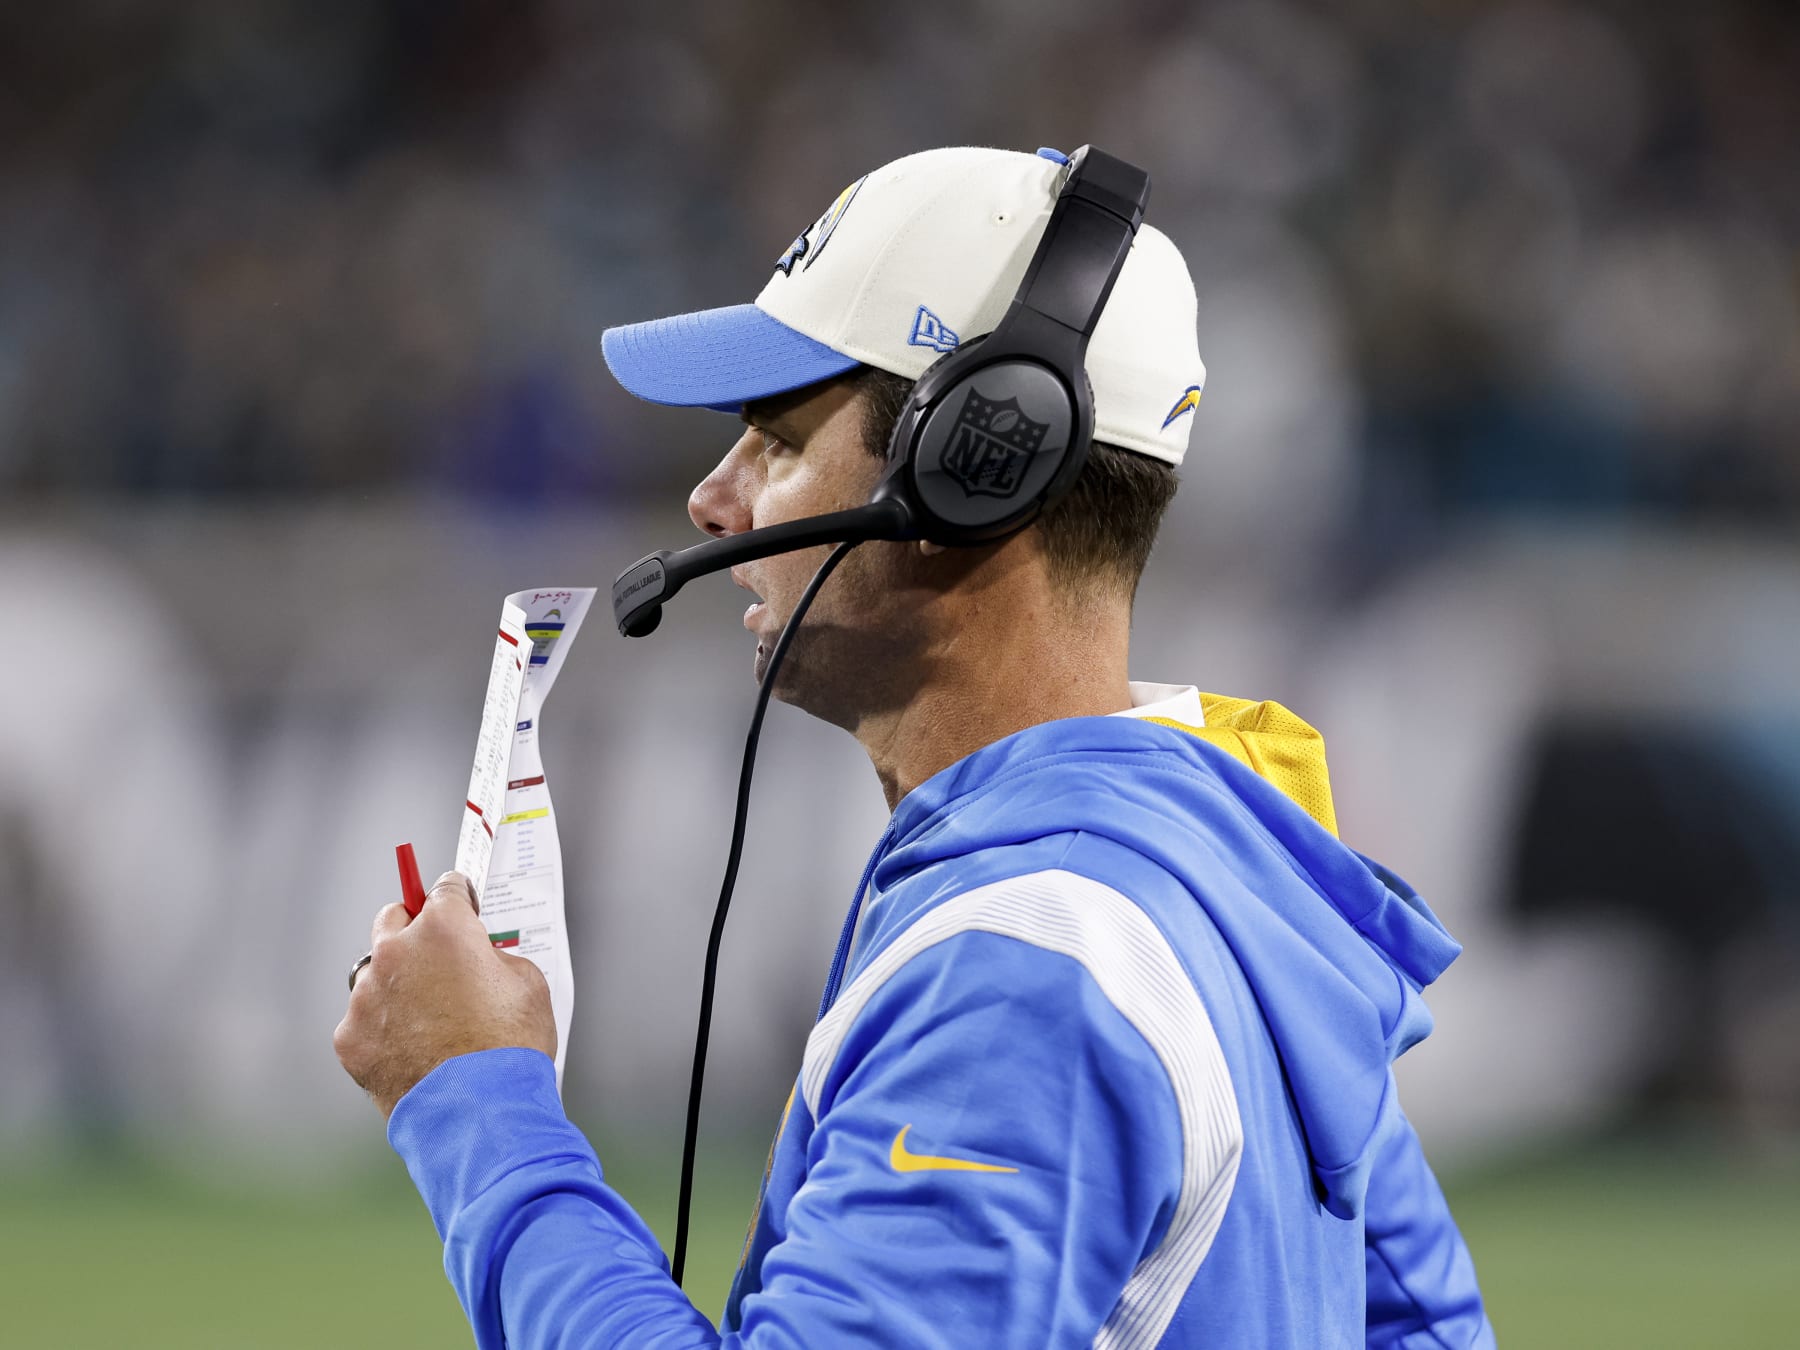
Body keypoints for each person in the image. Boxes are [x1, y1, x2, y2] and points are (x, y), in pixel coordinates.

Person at [334, 145, 1493, 1348]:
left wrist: (474, 1099)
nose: (712, 499)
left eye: (776, 441)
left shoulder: (1034, 962)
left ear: (971, 471)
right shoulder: (1234, 870)